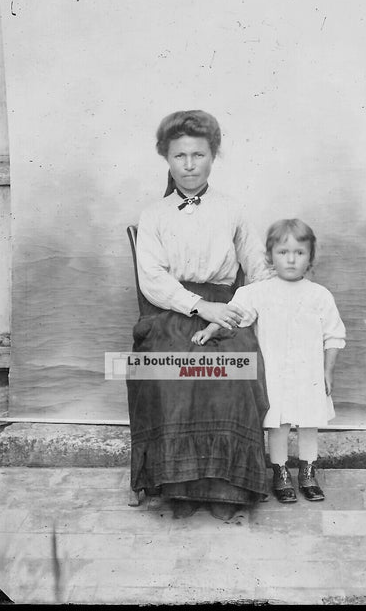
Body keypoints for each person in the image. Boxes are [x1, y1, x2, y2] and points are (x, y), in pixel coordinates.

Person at [127, 110, 271, 521]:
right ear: (167, 160)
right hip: (171, 307)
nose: (189, 165)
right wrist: (197, 306)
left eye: (198, 155)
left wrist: (239, 309)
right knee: (168, 363)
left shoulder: (233, 209)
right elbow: (152, 278)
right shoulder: (154, 214)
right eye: (179, 156)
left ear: (213, 157)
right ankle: (177, 485)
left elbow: (259, 269)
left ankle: (229, 486)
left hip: (226, 308)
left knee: (236, 366)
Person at [192, 218, 346, 503]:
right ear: (270, 256)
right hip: (275, 372)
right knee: (279, 424)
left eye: (299, 253)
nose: (291, 260)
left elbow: (334, 336)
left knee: (309, 422)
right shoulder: (259, 292)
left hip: (308, 373)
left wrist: (327, 371)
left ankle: (308, 473)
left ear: (310, 257)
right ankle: (280, 472)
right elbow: (233, 313)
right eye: (283, 252)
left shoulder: (319, 295)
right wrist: (210, 328)